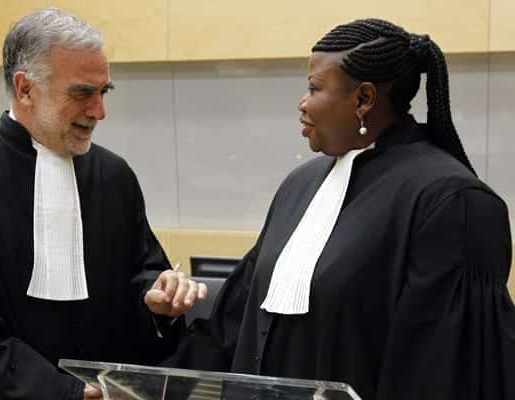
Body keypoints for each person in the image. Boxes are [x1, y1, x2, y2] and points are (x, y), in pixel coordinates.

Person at [170, 18, 515, 400]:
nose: (302, 104)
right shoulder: (299, 185)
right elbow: (235, 321)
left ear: (364, 98)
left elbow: (443, 370)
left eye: (314, 88)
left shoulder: (454, 202)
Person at [0, 8, 206, 400]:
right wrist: (65, 392)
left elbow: (140, 274)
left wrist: (156, 302)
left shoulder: (113, 176)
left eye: (103, 93)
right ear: (25, 89)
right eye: (82, 93)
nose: (99, 111)